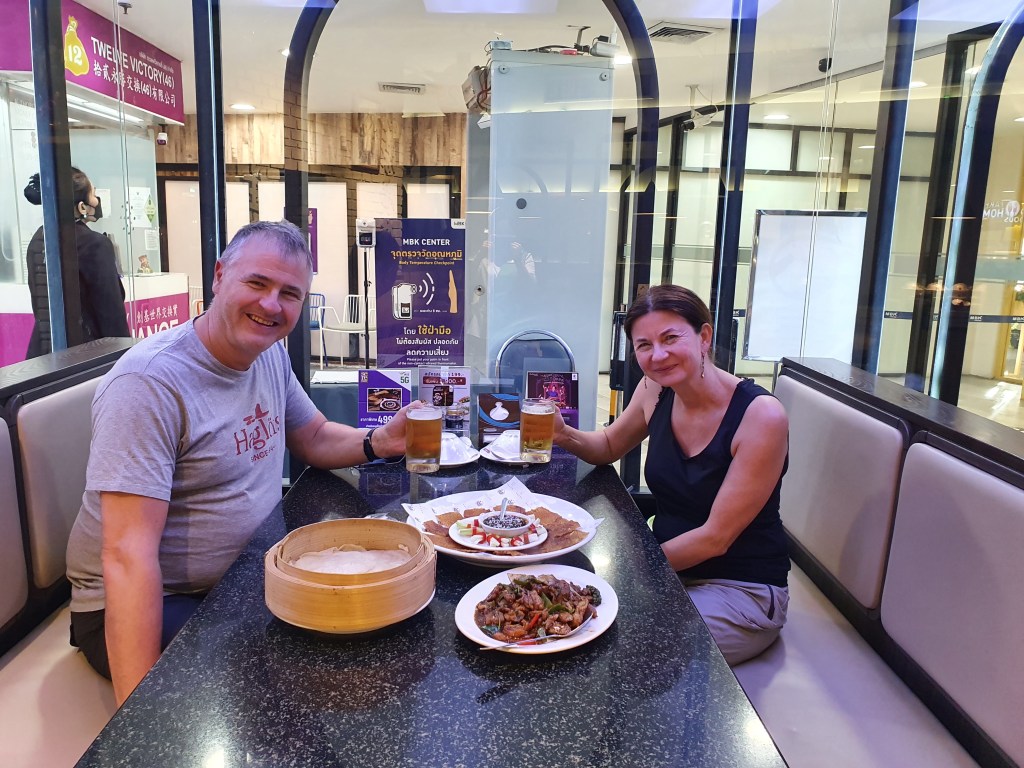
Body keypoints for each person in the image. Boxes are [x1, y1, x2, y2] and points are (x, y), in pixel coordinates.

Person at [65, 220, 411, 704]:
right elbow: (127, 557)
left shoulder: (268, 355)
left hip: (243, 577)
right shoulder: (148, 384)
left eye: (289, 293)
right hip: (152, 601)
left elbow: (312, 435)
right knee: (295, 671)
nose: (271, 305)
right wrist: (136, 721)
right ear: (219, 275)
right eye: (257, 283)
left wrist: (381, 440)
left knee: (375, 623)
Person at [552, 285, 790, 665]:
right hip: (670, 573)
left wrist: (629, 574)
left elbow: (715, 538)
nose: (658, 355)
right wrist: (564, 433)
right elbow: (609, 445)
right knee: (567, 613)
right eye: (644, 345)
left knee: (613, 638)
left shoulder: (760, 416)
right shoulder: (656, 390)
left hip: (741, 589)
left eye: (670, 338)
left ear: (704, 337)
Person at [23, 169, 131, 358]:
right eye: (93, 194)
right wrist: (124, 358)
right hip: (86, 354)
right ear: (82, 206)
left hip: (43, 353)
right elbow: (111, 314)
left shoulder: (39, 238)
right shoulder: (94, 243)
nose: (96, 201)